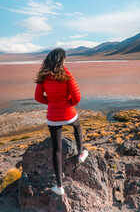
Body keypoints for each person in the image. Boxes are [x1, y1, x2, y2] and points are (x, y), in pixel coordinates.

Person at [34, 47, 88, 196]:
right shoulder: (67, 75)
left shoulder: (44, 77)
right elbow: (77, 98)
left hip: (53, 117)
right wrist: (66, 103)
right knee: (77, 126)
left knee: (56, 150)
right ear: (62, 60)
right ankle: (81, 152)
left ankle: (59, 187)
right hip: (68, 113)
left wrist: (51, 102)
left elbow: (38, 97)